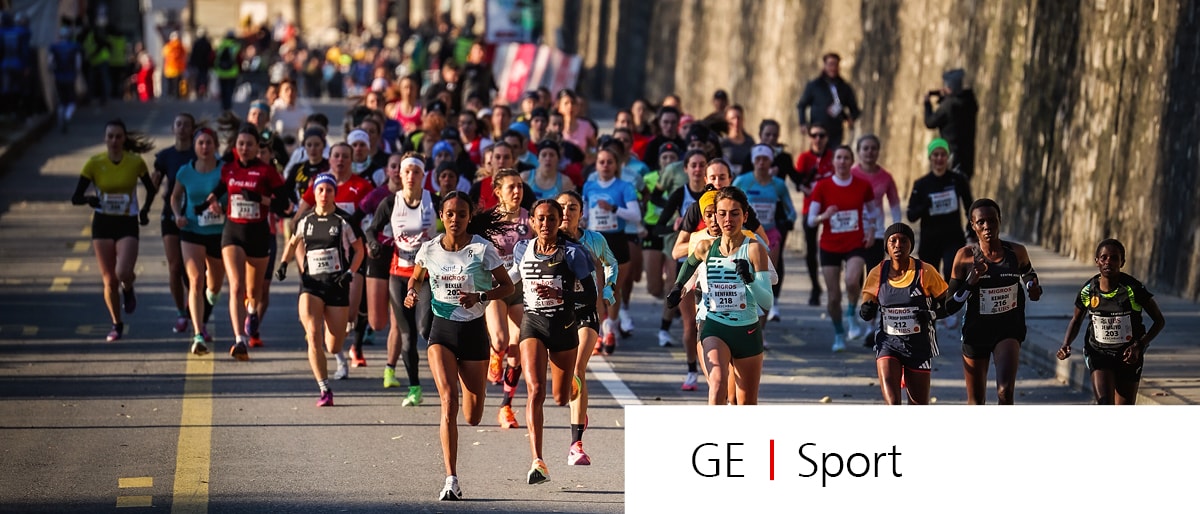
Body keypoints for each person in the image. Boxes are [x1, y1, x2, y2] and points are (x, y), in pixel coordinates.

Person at [406, 190, 515, 500]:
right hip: (441, 332)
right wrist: (412, 292)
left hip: (473, 334)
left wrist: (480, 296)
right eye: (450, 214)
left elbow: (507, 286)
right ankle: (451, 478)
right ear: (442, 216)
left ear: (469, 218)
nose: (455, 219)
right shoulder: (429, 249)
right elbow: (416, 278)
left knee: (473, 415)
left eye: (462, 214)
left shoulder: (482, 249)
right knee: (448, 401)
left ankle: (478, 393)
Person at [508, 200, 598, 484]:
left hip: (564, 326)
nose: (545, 224)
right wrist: (483, 289)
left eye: (551, 219)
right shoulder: (522, 249)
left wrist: (561, 295)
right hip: (532, 323)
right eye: (540, 219)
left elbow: (590, 296)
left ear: (559, 222)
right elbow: (511, 279)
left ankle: (575, 386)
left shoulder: (573, 252)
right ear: (532, 222)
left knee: (561, 397)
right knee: (535, 390)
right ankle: (538, 461)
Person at [276, 173, 364, 407]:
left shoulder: (344, 220)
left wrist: (350, 272)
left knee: (333, 345)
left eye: (329, 190)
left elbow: (359, 250)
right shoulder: (305, 221)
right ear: (314, 193)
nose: (324, 194)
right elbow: (293, 242)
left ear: (335, 193)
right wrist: (283, 263)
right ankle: (324, 388)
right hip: (311, 285)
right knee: (313, 335)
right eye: (320, 190)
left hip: (337, 286)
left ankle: (339, 330)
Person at [203, 124, 287, 360]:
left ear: (257, 146)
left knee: (253, 291)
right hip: (233, 232)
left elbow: (283, 203)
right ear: (235, 146)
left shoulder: (267, 171)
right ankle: (239, 339)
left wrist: (260, 199)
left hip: (259, 235)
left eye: (249, 144)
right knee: (236, 286)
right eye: (241, 144)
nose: (245, 148)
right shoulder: (228, 169)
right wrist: (210, 202)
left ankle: (252, 311)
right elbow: (220, 189)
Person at [948, 199, 1042, 404]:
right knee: (976, 401)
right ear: (973, 225)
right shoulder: (964, 257)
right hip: (976, 331)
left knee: (1005, 392)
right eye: (981, 222)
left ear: (1000, 220)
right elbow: (950, 305)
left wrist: (1032, 287)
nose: (987, 226)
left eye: (992, 220)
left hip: (1008, 329)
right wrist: (970, 282)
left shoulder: (1017, 252)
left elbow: (1029, 276)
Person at [70, 120, 157, 342]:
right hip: (103, 224)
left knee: (122, 272)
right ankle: (116, 324)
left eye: (118, 136)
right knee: (109, 280)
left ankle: (128, 287)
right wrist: (89, 199)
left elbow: (150, 188)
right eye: (110, 136)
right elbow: (75, 197)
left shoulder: (135, 162)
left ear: (124, 138)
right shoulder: (94, 163)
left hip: (127, 222)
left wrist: (145, 210)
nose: (114, 141)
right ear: (105, 139)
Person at [686, 187, 773, 405]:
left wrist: (749, 280)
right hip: (712, 323)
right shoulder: (703, 244)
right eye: (722, 213)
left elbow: (767, 301)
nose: (727, 219)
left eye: (735, 214)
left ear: (745, 216)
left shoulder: (754, 248)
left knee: (744, 403)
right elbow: (687, 271)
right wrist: (679, 289)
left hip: (746, 329)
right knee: (717, 383)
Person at [1057, 239, 1165, 405]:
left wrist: (1139, 346)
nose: (1108, 262)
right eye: (1104, 258)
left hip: (1128, 355)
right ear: (1097, 261)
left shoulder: (1133, 289)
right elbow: (1076, 320)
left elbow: (1159, 321)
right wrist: (1066, 344)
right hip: (1098, 352)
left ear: (1122, 262)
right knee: (1105, 403)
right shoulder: (1088, 290)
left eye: (1114, 258)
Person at [365, 152, 435, 404]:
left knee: (425, 329)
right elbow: (371, 229)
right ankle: (414, 388)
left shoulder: (433, 201)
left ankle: (449, 371)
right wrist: (373, 244)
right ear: (400, 174)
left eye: (416, 172)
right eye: (407, 172)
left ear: (423, 175)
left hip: (426, 276)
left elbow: (456, 221)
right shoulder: (390, 203)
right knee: (407, 334)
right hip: (399, 275)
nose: (411, 176)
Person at [859, 223, 952, 405]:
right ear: (886, 246)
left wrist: (931, 314)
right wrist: (866, 310)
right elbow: (866, 307)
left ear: (911, 245)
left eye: (903, 240)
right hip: (888, 344)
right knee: (893, 404)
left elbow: (949, 305)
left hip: (919, 347)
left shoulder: (925, 271)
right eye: (893, 241)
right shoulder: (877, 273)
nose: (898, 245)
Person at [557, 190, 617, 465]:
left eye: (573, 207)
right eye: (562, 207)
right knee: (563, 379)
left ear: (581, 213)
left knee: (577, 368)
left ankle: (576, 445)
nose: (566, 212)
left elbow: (611, 263)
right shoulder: (546, 241)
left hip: (586, 309)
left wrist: (608, 291)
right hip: (556, 312)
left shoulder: (595, 240)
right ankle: (579, 413)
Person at [807, 145, 877, 352]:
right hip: (829, 245)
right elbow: (811, 220)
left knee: (852, 280)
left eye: (846, 158)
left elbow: (873, 213)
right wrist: (825, 215)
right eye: (839, 157)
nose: (842, 161)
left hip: (855, 243)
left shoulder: (863, 185)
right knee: (834, 296)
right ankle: (839, 333)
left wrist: (871, 230)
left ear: (852, 161)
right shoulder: (822, 186)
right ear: (833, 162)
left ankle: (851, 314)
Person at [170, 127, 225, 354]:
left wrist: (222, 208)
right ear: (194, 146)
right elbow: (175, 197)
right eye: (201, 143)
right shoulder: (185, 171)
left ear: (215, 145)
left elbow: (233, 196)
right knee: (195, 281)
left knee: (214, 286)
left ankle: (211, 295)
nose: (205, 147)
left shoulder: (224, 170)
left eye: (209, 143)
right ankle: (198, 334)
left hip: (218, 233)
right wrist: (177, 215)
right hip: (191, 230)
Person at [582, 146, 641, 353]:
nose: (605, 166)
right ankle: (601, 332)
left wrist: (614, 208)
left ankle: (611, 327)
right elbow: (585, 213)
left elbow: (636, 215)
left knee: (613, 290)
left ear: (616, 165)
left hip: (617, 241)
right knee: (598, 290)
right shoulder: (589, 186)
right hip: (595, 241)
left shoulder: (624, 187)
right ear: (596, 165)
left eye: (609, 162)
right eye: (601, 162)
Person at [733, 144, 796, 322]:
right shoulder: (742, 181)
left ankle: (761, 328)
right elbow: (727, 203)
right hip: (746, 236)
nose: (761, 163)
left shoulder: (778, 184)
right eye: (758, 159)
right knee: (743, 277)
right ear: (753, 161)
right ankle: (743, 317)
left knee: (764, 279)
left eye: (765, 159)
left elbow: (791, 210)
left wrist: (788, 221)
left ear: (771, 162)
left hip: (770, 235)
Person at [152, 113, 198, 334]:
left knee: (194, 271)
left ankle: (194, 306)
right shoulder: (164, 156)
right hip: (171, 215)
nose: (182, 128)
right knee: (175, 266)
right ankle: (181, 312)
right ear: (173, 128)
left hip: (195, 217)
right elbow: (153, 186)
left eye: (186, 125)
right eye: (178, 124)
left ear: (192, 130)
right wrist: (144, 209)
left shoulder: (199, 154)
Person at [907, 138, 973, 281]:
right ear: (930, 157)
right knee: (931, 280)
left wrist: (971, 229)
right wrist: (926, 205)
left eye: (943, 155)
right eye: (935, 155)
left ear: (947, 157)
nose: (939, 158)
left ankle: (951, 296)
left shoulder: (958, 180)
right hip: (930, 239)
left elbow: (970, 206)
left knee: (952, 273)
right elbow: (911, 215)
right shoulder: (921, 184)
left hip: (953, 237)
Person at [793, 125, 835, 306]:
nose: (818, 139)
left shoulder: (833, 157)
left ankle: (832, 284)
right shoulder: (804, 158)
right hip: (810, 208)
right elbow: (798, 183)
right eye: (814, 135)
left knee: (833, 247)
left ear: (827, 137)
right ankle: (815, 287)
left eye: (821, 135)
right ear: (809, 137)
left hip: (832, 208)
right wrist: (807, 189)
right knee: (811, 250)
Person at [796, 52, 861, 148]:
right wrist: (803, 123)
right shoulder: (814, 85)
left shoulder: (844, 87)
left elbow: (855, 109)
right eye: (830, 64)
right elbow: (801, 105)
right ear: (824, 66)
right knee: (817, 153)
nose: (833, 68)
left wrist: (850, 118)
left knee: (834, 154)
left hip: (835, 131)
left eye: (836, 65)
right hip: (817, 130)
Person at [924, 69, 979, 179]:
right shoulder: (969, 103)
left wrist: (927, 105)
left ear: (949, 88)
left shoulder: (948, 107)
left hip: (953, 159)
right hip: (967, 160)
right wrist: (946, 98)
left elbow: (930, 122)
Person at [48, 27, 82, 133]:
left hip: (59, 77)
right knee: (71, 100)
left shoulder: (54, 47)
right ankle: (67, 117)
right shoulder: (74, 47)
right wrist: (77, 73)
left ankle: (61, 118)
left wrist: (52, 71)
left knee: (61, 100)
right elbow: (78, 63)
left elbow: (50, 62)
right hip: (70, 77)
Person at [719, 106, 755, 175]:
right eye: (732, 118)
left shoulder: (750, 142)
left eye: (739, 118)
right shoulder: (722, 144)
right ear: (726, 121)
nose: (736, 121)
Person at [213, 31, 241, 112]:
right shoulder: (235, 46)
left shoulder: (221, 46)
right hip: (232, 72)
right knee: (230, 90)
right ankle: (228, 106)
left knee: (223, 89)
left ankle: (224, 106)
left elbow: (215, 58)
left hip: (221, 72)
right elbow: (239, 59)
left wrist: (215, 68)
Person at [161, 31, 187, 99]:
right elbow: (185, 55)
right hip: (179, 68)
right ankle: (177, 95)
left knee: (171, 83)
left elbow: (164, 54)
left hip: (170, 68)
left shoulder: (168, 46)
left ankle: (171, 95)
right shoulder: (181, 46)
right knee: (177, 83)